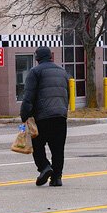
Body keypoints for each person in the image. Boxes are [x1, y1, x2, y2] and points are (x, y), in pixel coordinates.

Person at [20, 45, 70, 187]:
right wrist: (63, 111)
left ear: (37, 58)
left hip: (42, 116)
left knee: (37, 145)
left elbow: (28, 96)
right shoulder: (62, 72)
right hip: (60, 115)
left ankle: (44, 167)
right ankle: (57, 178)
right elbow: (67, 94)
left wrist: (24, 115)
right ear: (50, 56)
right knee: (58, 148)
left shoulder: (35, 72)